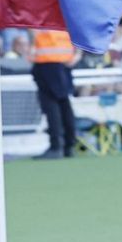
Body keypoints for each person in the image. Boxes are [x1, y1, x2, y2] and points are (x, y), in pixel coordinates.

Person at [31, 28, 78, 158]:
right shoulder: (63, 10)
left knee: (51, 105)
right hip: (63, 60)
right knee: (64, 103)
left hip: (47, 61)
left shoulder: (42, 11)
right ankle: (69, 145)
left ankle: (56, 146)